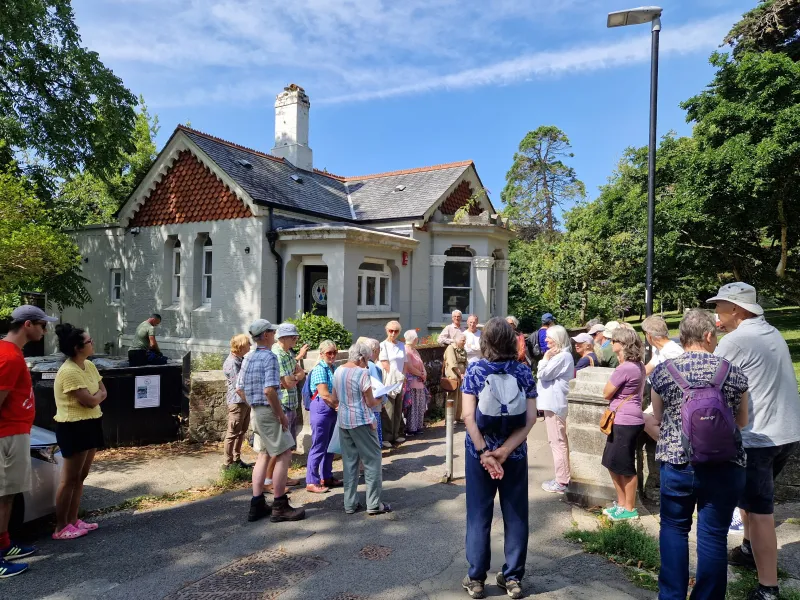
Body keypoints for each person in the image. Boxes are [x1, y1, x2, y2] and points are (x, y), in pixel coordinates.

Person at [708, 283, 800, 600]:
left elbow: (708, 379)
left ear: (736, 309)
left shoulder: (736, 340)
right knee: (749, 499)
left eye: (719, 306)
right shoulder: (770, 332)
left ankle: (768, 589)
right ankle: (749, 550)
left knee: (760, 511)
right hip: (787, 433)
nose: (716, 312)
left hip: (760, 438)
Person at [650, 309, 749, 600]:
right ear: (707, 335)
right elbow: (742, 421)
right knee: (713, 536)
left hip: (678, 463)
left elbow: (657, 416)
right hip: (724, 464)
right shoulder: (732, 371)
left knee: (673, 529)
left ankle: (671, 596)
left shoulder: (664, 371)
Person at [461, 318, 537, 600]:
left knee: (478, 516)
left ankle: (477, 578)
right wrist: (505, 451)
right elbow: (530, 419)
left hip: (479, 453)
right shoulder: (523, 372)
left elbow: (468, 416)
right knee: (516, 515)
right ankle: (514, 577)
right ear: (511, 341)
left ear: (485, 342)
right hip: (514, 453)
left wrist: (485, 452)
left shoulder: (475, 370)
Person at [0, 306, 56, 576]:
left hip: (15, 431)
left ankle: (5, 544)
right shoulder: (9, 356)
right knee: (2, 496)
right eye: (43, 325)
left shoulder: (12, 352)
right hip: (7, 435)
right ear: (28, 324)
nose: (45, 330)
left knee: (8, 494)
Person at [236, 319, 305, 522]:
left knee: (264, 455)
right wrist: (280, 414)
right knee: (284, 453)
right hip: (269, 411)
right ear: (265, 335)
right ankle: (280, 505)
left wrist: (253, 405)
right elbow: (269, 390)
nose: (274, 334)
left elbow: (239, 388)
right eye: (272, 332)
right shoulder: (269, 358)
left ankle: (257, 504)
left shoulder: (248, 357)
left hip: (257, 411)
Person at [51, 324, 107, 540]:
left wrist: (97, 397)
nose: (92, 344)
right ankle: (61, 526)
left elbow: (102, 391)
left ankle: (74, 520)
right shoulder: (69, 372)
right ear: (77, 347)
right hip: (73, 426)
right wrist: (97, 397)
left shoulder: (89, 366)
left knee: (81, 476)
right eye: (89, 342)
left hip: (91, 423)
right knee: (70, 478)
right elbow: (91, 399)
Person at [331, 343, 391, 515]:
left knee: (350, 462)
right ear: (361, 358)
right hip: (361, 420)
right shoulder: (362, 373)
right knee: (372, 461)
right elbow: (370, 402)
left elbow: (334, 398)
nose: (368, 363)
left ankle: (349, 504)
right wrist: (380, 398)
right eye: (367, 359)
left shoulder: (338, 370)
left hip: (343, 420)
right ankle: (373, 504)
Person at [601, 327, 645, 521]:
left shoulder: (625, 367)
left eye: (614, 341)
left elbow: (606, 393)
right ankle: (621, 504)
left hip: (625, 420)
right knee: (611, 462)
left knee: (625, 465)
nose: (611, 344)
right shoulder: (638, 365)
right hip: (626, 419)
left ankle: (629, 508)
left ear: (622, 344)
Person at [266, 323, 308, 489]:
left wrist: (295, 376)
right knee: (279, 446)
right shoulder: (278, 354)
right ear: (283, 338)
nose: (296, 339)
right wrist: (296, 376)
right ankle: (268, 480)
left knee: (286, 447)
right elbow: (287, 382)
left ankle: (282, 476)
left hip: (290, 404)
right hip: (282, 404)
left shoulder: (287, 353)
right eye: (293, 337)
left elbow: (298, 373)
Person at [537, 325, 575, 494]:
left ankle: (561, 481)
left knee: (557, 442)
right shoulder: (562, 355)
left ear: (558, 339)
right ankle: (563, 478)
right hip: (554, 403)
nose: (546, 340)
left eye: (549, 338)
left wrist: (544, 359)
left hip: (555, 404)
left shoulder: (562, 357)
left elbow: (543, 374)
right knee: (558, 442)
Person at [641, 315, 684, 442]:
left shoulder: (672, 353)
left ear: (649, 336)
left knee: (644, 420)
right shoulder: (661, 350)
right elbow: (647, 369)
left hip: (673, 404)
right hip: (663, 400)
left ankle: (676, 445)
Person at [305, 340, 339, 494]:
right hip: (322, 409)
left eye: (334, 352)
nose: (332, 355)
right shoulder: (320, 369)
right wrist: (338, 406)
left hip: (329, 409)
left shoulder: (333, 368)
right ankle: (312, 481)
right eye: (328, 353)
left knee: (330, 445)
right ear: (321, 354)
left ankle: (327, 476)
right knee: (319, 445)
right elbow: (324, 394)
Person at [222, 334, 252, 469]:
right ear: (241, 346)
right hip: (238, 402)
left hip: (243, 402)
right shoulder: (232, 362)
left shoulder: (240, 359)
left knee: (241, 432)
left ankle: (237, 459)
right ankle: (227, 463)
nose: (250, 346)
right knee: (233, 432)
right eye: (248, 344)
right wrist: (249, 402)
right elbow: (238, 387)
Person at [357, 337, 388, 449]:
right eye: (379, 350)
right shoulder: (373, 367)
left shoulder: (360, 366)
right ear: (374, 351)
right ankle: (375, 464)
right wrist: (383, 401)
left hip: (362, 407)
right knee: (375, 437)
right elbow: (378, 388)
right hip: (373, 406)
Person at [379, 320, 406, 445]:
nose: (393, 333)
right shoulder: (383, 345)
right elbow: (385, 364)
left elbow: (404, 363)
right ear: (386, 331)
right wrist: (396, 377)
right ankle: (386, 437)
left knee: (398, 408)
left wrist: (403, 377)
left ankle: (396, 434)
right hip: (390, 380)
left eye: (396, 331)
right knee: (388, 409)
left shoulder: (401, 345)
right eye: (391, 330)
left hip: (400, 380)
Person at [402, 330, 430, 436]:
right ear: (414, 339)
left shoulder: (414, 350)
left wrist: (424, 373)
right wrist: (421, 374)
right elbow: (409, 367)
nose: (417, 339)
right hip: (411, 382)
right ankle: (411, 428)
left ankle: (418, 426)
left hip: (419, 382)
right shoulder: (406, 350)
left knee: (420, 405)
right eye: (416, 338)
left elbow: (421, 363)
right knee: (412, 406)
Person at [443, 332, 468, 422]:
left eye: (465, 340)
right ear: (457, 340)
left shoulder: (462, 350)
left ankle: (457, 417)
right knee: (452, 397)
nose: (464, 342)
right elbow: (452, 363)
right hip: (453, 376)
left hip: (462, 376)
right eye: (463, 340)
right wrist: (460, 374)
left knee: (460, 397)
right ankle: (450, 419)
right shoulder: (450, 348)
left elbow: (466, 362)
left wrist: (465, 373)